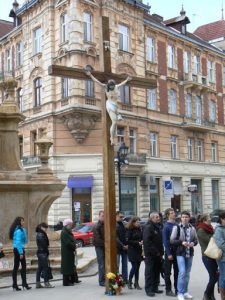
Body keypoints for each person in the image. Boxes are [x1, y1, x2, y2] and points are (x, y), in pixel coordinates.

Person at [85, 70, 132, 145]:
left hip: (116, 105)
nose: (112, 87)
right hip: (110, 104)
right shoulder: (105, 87)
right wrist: (90, 75)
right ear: (109, 85)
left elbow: (122, 83)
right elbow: (97, 82)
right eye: (111, 86)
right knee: (114, 122)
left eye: (113, 85)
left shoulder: (116, 87)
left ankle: (118, 116)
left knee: (115, 122)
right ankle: (112, 139)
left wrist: (127, 79)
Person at [170, 211, 198, 300]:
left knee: (187, 274)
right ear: (180, 218)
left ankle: (185, 292)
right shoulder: (177, 227)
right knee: (182, 272)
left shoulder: (192, 228)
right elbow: (172, 240)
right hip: (180, 253)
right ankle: (180, 293)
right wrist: (182, 242)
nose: (184, 218)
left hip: (189, 253)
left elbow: (196, 240)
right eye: (183, 217)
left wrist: (193, 243)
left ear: (189, 218)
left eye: (186, 217)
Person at [197, 214, 218, 300]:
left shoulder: (209, 228)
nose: (210, 221)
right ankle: (206, 294)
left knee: (212, 276)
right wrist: (217, 234)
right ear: (204, 221)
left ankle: (211, 296)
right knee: (214, 277)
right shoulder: (201, 230)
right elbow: (210, 240)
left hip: (213, 255)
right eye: (209, 220)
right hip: (207, 256)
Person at [143, 211, 164, 297]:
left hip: (158, 254)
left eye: (158, 217)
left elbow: (159, 241)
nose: (158, 218)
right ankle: (148, 289)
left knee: (156, 271)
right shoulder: (148, 227)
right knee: (149, 272)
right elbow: (147, 242)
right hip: (151, 254)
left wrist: (161, 252)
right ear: (151, 218)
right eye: (156, 217)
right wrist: (156, 252)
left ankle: (155, 287)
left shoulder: (158, 226)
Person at [9, 216, 31, 291]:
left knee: (17, 267)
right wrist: (21, 253)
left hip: (17, 249)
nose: (23, 222)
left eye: (23, 221)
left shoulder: (19, 229)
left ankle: (17, 285)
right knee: (21, 267)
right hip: (19, 249)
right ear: (19, 222)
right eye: (22, 221)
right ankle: (22, 284)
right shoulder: (19, 230)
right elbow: (18, 242)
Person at [163, 208, 178, 297]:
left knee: (177, 271)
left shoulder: (176, 225)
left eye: (174, 212)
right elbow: (165, 241)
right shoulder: (166, 226)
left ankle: (177, 289)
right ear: (168, 215)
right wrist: (168, 254)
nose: (174, 214)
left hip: (177, 251)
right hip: (169, 251)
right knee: (167, 272)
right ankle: (168, 290)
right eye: (171, 213)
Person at [61, 219, 81, 286]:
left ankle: (73, 279)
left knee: (71, 266)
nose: (71, 226)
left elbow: (72, 239)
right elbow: (67, 243)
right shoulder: (64, 232)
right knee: (67, 267)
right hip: (67, 252)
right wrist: (74, 245)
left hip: (70, 251)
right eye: (70, 224)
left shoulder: (68, 231)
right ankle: (66, 282)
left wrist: (75, 244)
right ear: (67, 225)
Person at [35, 222, 54, 288]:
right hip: (43, 253)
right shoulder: (41, 234)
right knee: (45, 268)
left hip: (40, 253)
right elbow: (44, 245)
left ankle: (38, 283)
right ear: (41, 227)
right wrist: (47, 250)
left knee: (40, 268)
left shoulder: (40, 233)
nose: (46, 229)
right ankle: (46, 283)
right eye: (45, 228)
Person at [126, 216, 143, 290]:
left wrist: (142, 241)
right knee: (134, 267)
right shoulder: (129, 230)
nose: (138, 223)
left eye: (139, 222)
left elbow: (141, 237)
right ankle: (129, 282)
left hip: (139, 250)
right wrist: (137, 242)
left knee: (138, 268)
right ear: (133, 223)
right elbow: (127, 241)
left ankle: (136, 283)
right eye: (137, 222)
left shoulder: (139, 229)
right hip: (132, 250)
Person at [214, 211, 225, 300]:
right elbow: (221, 244)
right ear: (222, 219)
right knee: (224, 277)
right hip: (222, 258)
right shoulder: (219, 229)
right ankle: (223, 296)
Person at [93, 210, 105, 286]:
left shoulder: (105, 225)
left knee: (105, 264)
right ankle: (101, 281)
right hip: (99, 247)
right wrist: (106, 244)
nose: (104, 217)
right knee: (101, 264)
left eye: (105, 216)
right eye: (102, 216)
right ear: (99, 216)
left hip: (104, 246)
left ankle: (105, 279)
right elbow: (98, 239)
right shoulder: (97, 226)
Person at [116, 211, 128, 283]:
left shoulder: (123, 224)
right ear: (116, 216)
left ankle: (125, 279)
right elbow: (115, 237)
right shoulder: (114, 225)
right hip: (117, 248)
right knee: (117, 265)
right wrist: (122, 245)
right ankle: (117, 280)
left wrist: (127, 245)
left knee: (125, 265)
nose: (122, 218)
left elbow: (126, 235)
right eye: (120, 217)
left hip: (125, 247)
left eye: (123, 217)